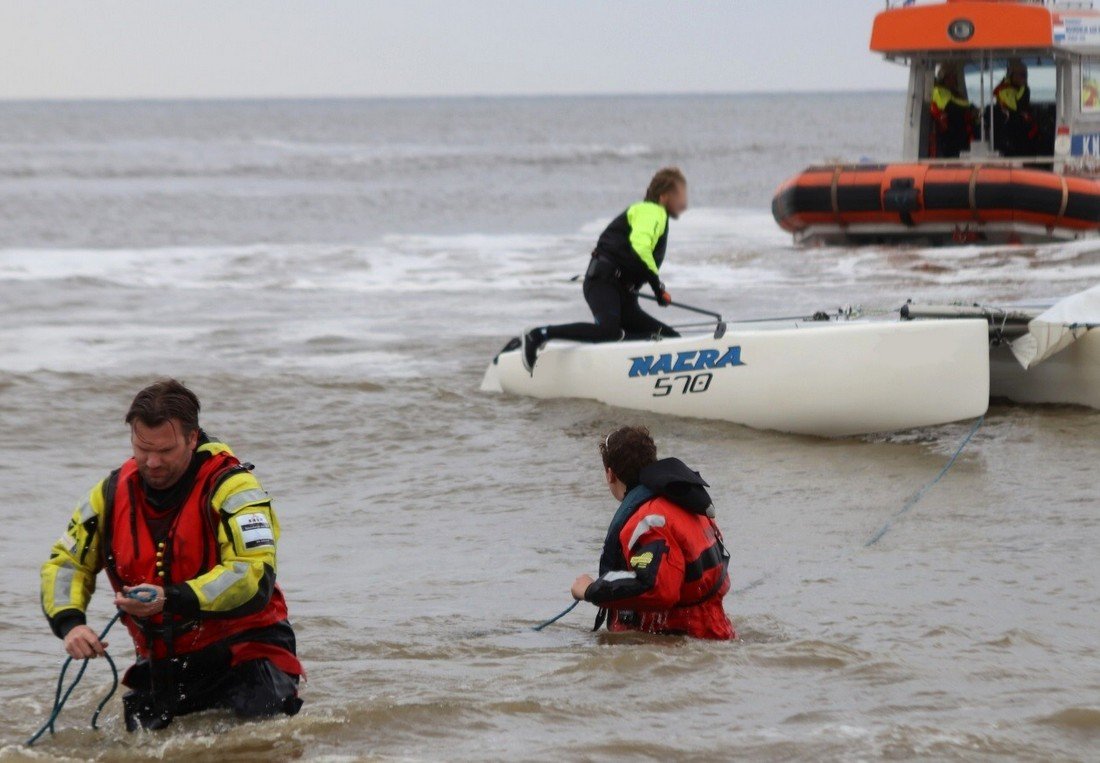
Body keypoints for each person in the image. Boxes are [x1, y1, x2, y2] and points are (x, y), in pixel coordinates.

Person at [40, 379, 303, 731]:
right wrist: (71, 625)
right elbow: (67, 563)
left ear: (192, 439)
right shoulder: (110, 493)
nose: (152, 462)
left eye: (165, 451)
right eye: (141, 448)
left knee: (262, 740)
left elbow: (252, 574)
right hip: (164, 661)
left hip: (245, 652)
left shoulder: (235, 488)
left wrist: (170, 598)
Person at [569, 426, 735, 640]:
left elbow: (657, 589)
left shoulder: (649, 519)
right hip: (713, 629)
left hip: (683, 639)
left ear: (610, 475)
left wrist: (590, 590)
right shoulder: (686, 502)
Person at [521, 167, 689, 373]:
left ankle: (626, 365)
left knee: (670, 340)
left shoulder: (654, 214)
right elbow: (640, 247)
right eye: (680, 195)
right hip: (603, 284)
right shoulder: (651, 211)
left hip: (624, 295)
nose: (684, 203)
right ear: (664, 197)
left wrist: (656, 288)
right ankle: (539, 334)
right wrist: (657, 288)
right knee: (609, 332)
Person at [992, 58, 1040, 156]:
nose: (1025, 77)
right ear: (1011, 74)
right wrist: (1024, 87)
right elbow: (1016, 107)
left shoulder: (1019, 88)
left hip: (1020, 129)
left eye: (1026, 75)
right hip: (1010, 131)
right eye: (1022, 75)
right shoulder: (1004, 90)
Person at [929, 63, 977, 158]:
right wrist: (970, 107)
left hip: (961, 135)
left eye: (954, 76)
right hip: (948, 136)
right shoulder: (938, 91)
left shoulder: (956, 93)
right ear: (944, 78)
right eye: (951, 76)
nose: (954, 79)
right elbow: (950, 106)